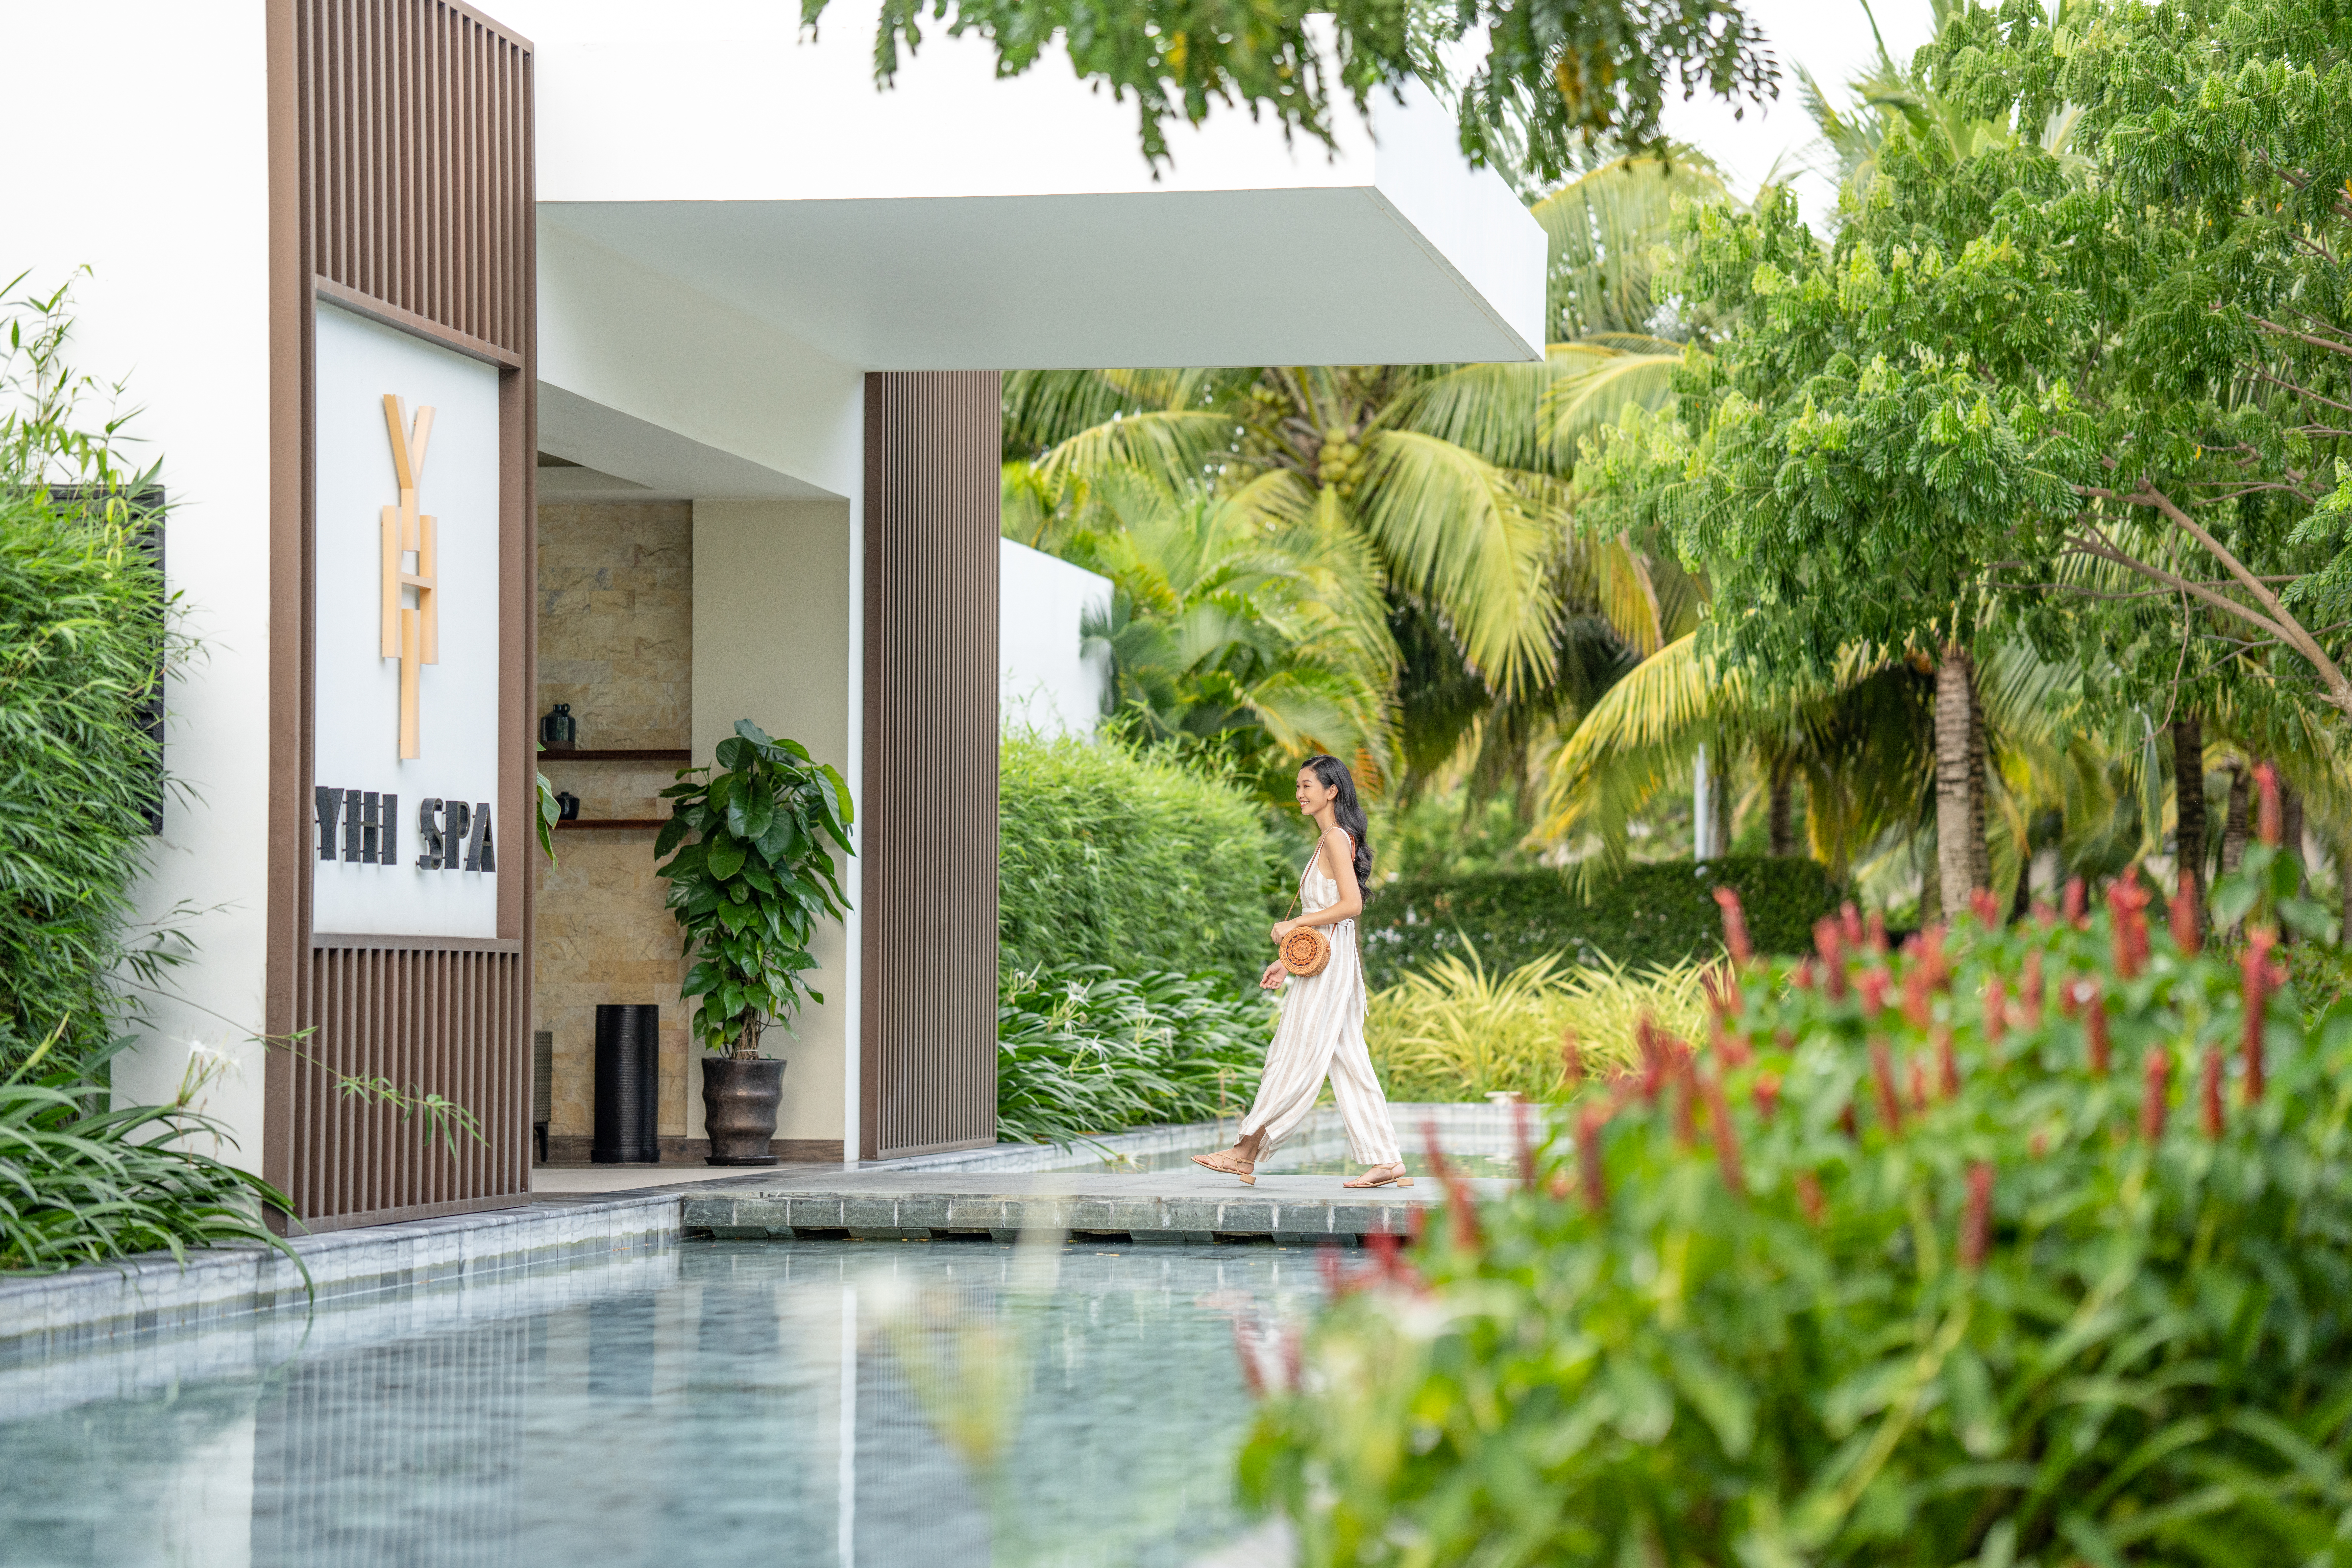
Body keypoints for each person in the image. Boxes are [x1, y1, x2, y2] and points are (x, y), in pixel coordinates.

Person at [1192, 754, 1410, 1189]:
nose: (1299, 794)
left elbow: (1351, 905)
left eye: (1307, 785)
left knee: (1292, 1052)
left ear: (1332, 791)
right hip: (1329, 960)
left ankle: (1244, 1152)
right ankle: (1386, 1160)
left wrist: (1294, 924)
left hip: (1331, 968)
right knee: (1349, 1060)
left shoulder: (1334, 837)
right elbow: (1327, 916)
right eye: (1298, 786)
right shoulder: (1331, 838)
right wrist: (1286, 959)